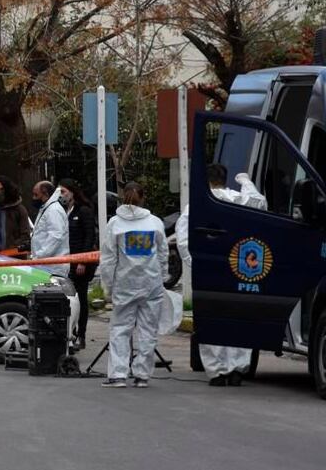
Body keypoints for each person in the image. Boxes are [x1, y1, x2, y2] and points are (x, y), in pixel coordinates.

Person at [177, 164, 266, 386]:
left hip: (210, 268)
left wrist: (195, 263)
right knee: (238, 316)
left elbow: (183, 239)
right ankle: (237, 368)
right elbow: (259, 202)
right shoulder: (238, 199)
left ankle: (217, 371)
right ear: (225, 180)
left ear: (206, 181)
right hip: (239, 267)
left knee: (212, 317)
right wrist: (246, 182)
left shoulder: (197, 206)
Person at [99, 182, 169, 388]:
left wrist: (107, 286)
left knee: (120, 329)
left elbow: (109, 258)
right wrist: (163, 276)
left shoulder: (115, 224)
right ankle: (142, 375)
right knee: (148, 330)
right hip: (151, 283)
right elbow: (163, 253)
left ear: (122, 197)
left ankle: (119, 374)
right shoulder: (154, 222)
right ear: (143, 197)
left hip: (125, 284)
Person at [58, 178, 97, 348]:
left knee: (80, 298)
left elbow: (89, 236)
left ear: (72, 192)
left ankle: (81, 335)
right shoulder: (63, 211)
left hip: (80, 263)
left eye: (64, 192)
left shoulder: (83, 211)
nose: (61, 195)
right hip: (66, 262)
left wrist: (83, 260)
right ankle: (70, 333)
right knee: (69, 300)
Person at [30, 181, 69, 275]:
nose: (33, 198)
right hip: (46, 264)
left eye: (36, 195)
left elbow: (55, 236)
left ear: (46, 194)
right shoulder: (47, 208)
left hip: (52, 266)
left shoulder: (53, 210)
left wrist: (39, 255)